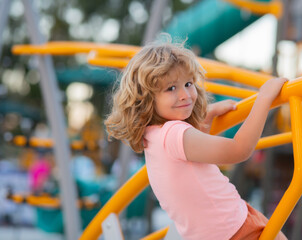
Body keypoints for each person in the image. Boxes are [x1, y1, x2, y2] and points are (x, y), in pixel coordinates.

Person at [105, 36, 288, 240]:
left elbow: (191, 158)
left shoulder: (154, 136)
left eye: (188, 83)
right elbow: (239, 149)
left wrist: (207, 115)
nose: (185, 95)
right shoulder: (174, 134)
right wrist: (264, 99)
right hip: (235, 229)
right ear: (147, 99)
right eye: (171, 88)